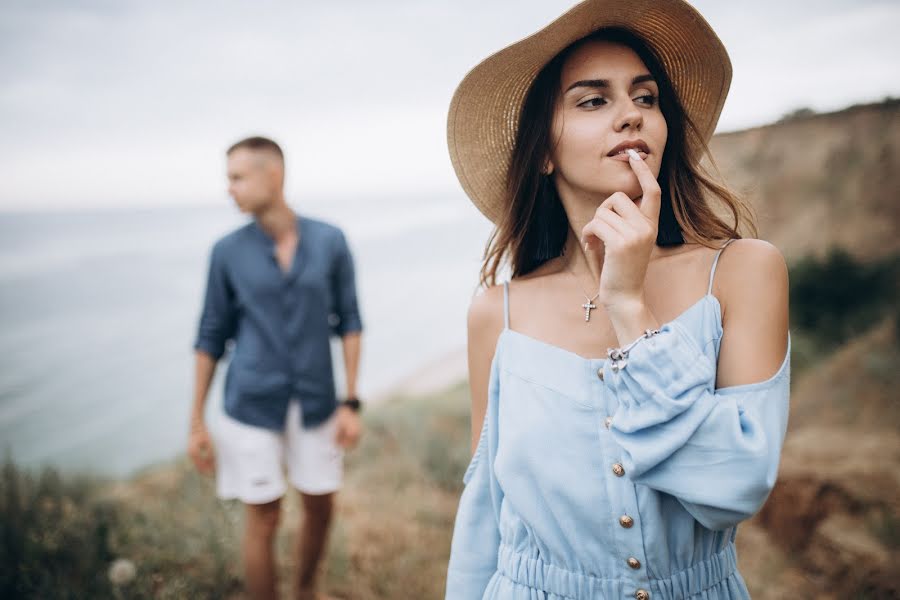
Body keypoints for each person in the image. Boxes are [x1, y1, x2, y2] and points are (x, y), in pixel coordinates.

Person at [445, 1, 790, 599]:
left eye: (646, 98)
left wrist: (630, 307)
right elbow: (485, 523)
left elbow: (735, 487)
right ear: (545, 152)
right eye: (592, 100)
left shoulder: (742, 272)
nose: (630, 115)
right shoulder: (495, 314)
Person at [188, 136, 363, 600]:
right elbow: (210, 335)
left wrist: (351, 402)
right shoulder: (226, 252)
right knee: (263, 517)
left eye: (238, 177)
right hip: (249, 403)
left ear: (274, 175)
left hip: (318, 401)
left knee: (321, 505)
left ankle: (305, 590)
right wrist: (195, 421)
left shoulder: (330, 240)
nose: (230, 189)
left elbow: (350, 321)